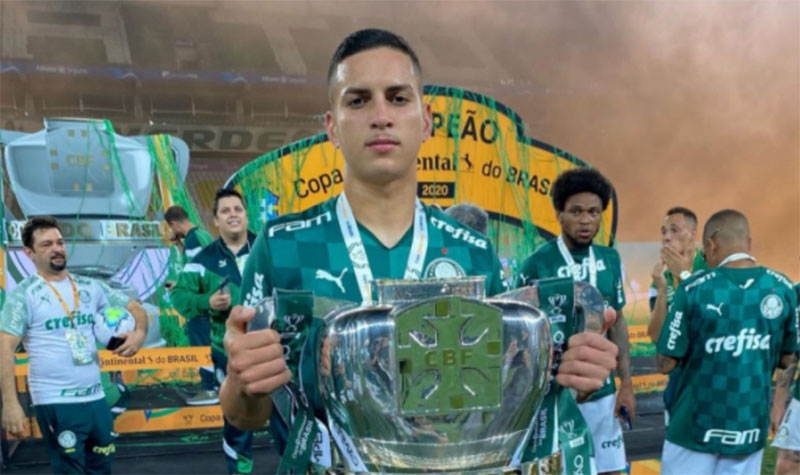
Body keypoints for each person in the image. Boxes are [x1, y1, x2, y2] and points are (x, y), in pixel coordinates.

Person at [218, 28, 619, 472]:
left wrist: (574, 374)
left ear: (426, 121)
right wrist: (242, 381)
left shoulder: (472, 251)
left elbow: (499, 397)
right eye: (358, 100)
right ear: (332, 126)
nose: (381, 116)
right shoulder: (282, 245)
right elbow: (245, 414)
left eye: (397, 98)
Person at [0, 216, 148, 474]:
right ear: (29, 253)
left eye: (59, 242)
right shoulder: (23, 295)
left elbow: (135, 308)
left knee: (102, 467)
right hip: (55, 401)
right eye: (46, 244)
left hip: (96, 398)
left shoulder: (90, 287)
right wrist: (10, 403)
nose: (56, 249)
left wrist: (139, 334)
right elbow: (4, 349)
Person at [656, 209, 798, 475]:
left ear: (711, 244)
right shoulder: (783, 287)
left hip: (694, 428)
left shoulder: (694, 287)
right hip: (749, 428)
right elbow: (789, 358)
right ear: (748, 243)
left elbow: (665, 362)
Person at [516, 167, 633, 475]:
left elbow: (618, 323)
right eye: (576, 211)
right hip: (555, 397)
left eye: (593, 212)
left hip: (603, 393)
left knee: (612, 471)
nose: (585, 220)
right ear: (559, 214)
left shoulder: (610, 260)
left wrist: (626, 385)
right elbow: (520, 336)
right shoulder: (536, 264)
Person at [170, 188, 257, 475]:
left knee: (289, 422)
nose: (233, 214)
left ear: (245, 216)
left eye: (238, 209)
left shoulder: (267, 250)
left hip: (274, 350)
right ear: (216, 221)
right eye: (225, 211)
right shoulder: (203, 259)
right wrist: (205, 302)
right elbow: (179, 296)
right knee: (237, 424)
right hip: (229, 355)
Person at [646, 206, 708, 426]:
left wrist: (683, 275)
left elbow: (712, 315)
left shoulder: (711, 266)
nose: (666, 237)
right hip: (679, 379)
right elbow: (656, 336)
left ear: (692, 234)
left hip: (711, 376)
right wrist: (663, 290)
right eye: (663, 232)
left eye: (674, 230)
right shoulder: (660, 279)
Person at [163, 204, 217, 406]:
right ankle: (218, 385)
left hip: (198, 305)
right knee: (212, 346)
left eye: (171, 228)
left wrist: (178, 287)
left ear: (174, 224)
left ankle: (210, 390)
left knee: (202, 347)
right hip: (210, 301)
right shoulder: (203, 235)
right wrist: (181, 248)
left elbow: (196, 275)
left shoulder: (193, 240)